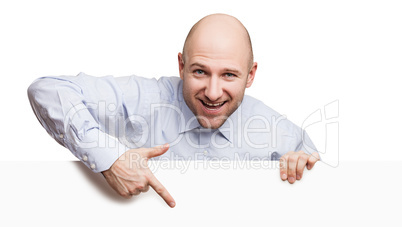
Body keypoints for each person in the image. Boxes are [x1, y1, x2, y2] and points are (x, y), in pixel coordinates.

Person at [28, 14, 320, 208]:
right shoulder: (143, 99)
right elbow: (47, 91)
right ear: (181, 66)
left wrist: (303, 171)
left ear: (251, 75)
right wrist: (109, 157)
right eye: (200, 71)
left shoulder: (279, 133)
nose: (213, 92)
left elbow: (326, 206)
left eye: (229, 75)